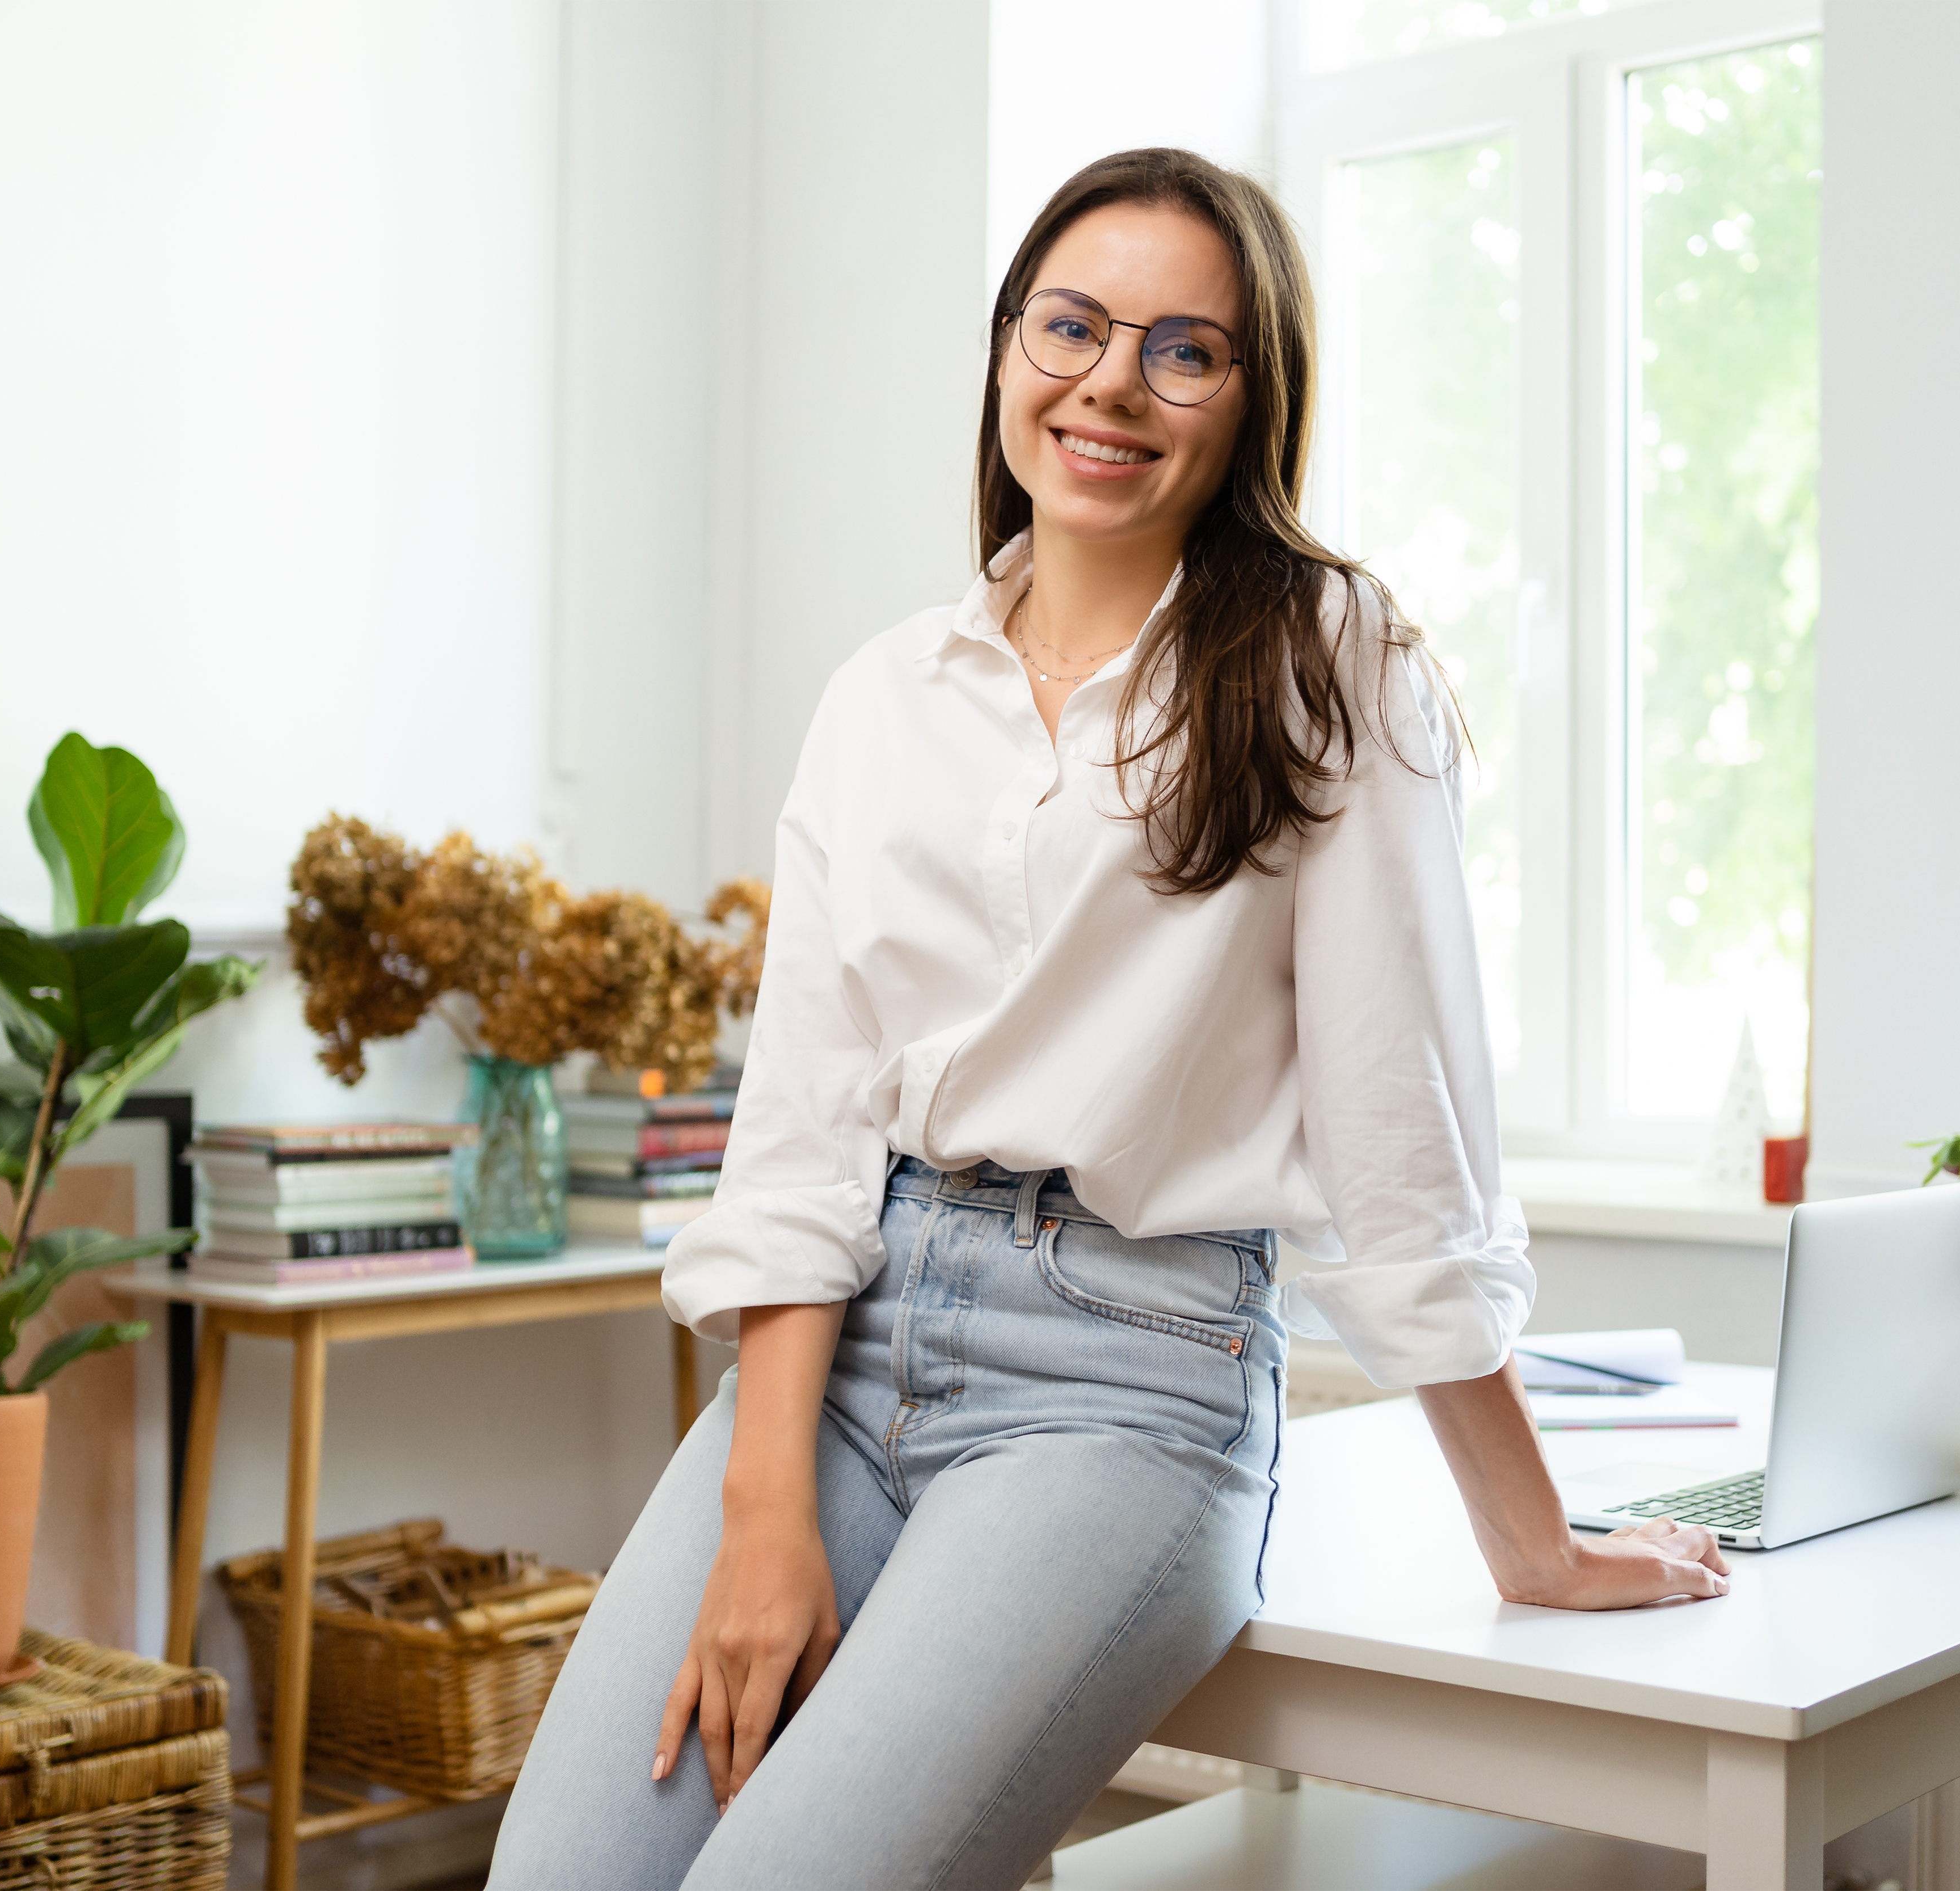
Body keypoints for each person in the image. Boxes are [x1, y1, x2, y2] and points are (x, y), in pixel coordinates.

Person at [486, 146, 1729, 1891]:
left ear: (1247, 398)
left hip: (1130, 1375)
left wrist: (1526, 1536)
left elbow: (1402, 1125)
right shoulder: (885, 696)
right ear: (1006, 349)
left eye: (1184, 350)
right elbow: (807, 1128)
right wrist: (763, 1508)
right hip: (840, 1356)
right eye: (1070, 326)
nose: (1111, 385)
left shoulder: (1329, 662)